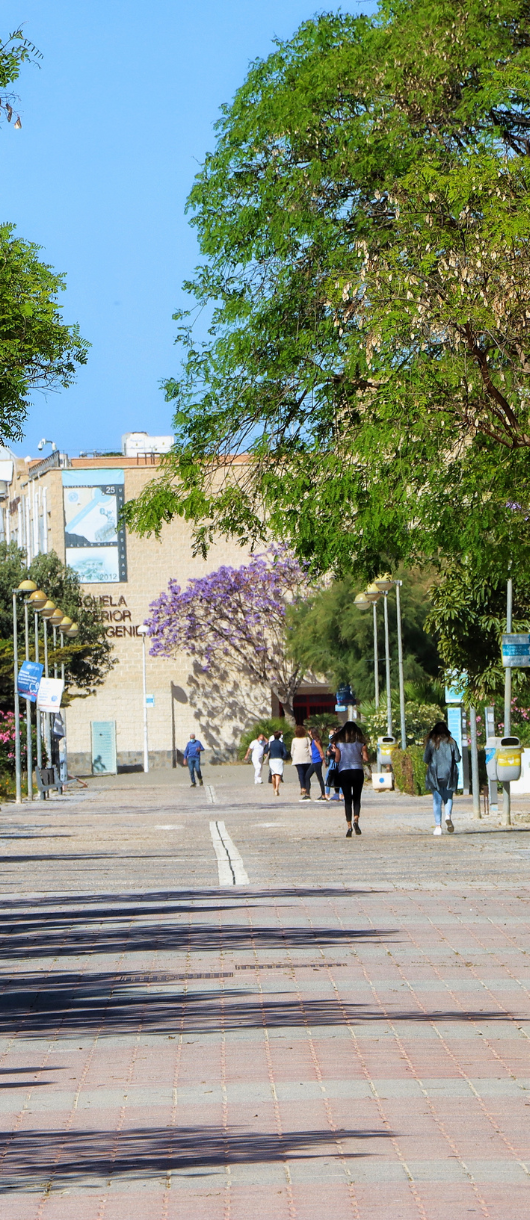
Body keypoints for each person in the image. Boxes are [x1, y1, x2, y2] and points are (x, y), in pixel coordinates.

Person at [423, 721, 461, 836]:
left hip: (435, 774)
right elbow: (457, 758)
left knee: (437, 801)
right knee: (448, 796)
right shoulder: (452, 742)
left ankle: (438, 826)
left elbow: (425, 759)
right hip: (449, 773)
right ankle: (448, 815)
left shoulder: (431, 743)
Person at [332, 722, 369, 836]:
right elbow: (366, 758)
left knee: (347, 799)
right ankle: (356, 820)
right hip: (357, 771)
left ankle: (349, 827)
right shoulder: (361, 743)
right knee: (357, 798)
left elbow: (337, 760)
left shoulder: (339, 744)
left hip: (344, 772)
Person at [305, 729, 328, 801]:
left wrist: (323, 760)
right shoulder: (313, 741)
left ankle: (323, 795)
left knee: (319, 777)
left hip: (317, 760)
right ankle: (307, 794)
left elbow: (320, 750)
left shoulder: (315, 741)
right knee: (307, 776)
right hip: (314, 760)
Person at [263, 730, 288, 796]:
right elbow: (285, 752)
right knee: (278, 774)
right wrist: (283, 757)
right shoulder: (281, 743)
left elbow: (265, 751)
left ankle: (274, 788)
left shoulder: (270, 743)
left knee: (273, 774)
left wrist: (266, 754)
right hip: (279, 759)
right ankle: (277, 788)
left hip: (272, 759)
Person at [290, 725, 312, 800]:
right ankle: (307, 788)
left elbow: (292, 751)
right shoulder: (307, 739)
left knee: (301, 774)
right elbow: (310, 748)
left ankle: (303, 787)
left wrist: (293, 757)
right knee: (307, 774)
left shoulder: (294, 740)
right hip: (306, 758)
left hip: (297, 759)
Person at [325, 730, 342, 801]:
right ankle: (327, 794)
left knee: (340, 779)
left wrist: (334, 752)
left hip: (338, 764)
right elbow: (327, 753)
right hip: (332, 764)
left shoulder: (339, 744)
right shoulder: (330, 745)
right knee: (328, 779)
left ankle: (341, 794)